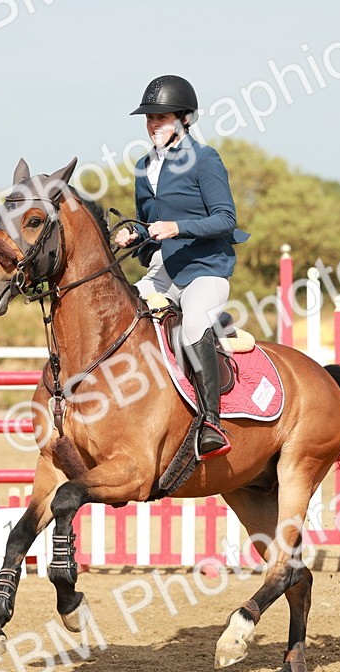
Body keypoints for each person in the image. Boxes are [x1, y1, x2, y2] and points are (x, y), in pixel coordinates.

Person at [114, 75, 249, 460]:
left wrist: (178, 227)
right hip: (162, 269)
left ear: (183, 119)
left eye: (161, 117)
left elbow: (225, 218)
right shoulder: (143, 167)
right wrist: (133, 234)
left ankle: (211, 423)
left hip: (205, 269)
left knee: (192, 323)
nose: (153, 124)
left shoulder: (205, 159)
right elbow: (148, 223)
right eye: (149, 118)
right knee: (121, 316)